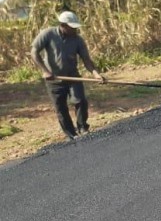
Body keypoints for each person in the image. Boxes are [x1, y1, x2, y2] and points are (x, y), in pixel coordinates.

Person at [31, 11, 106, 140]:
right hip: (54, 79)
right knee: (61, 108)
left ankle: (82, 127)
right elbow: (34, 51)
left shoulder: (77, 40)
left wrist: (95, 74)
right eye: (72, 27)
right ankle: (71, 134)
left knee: (80, 100)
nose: (74, 30)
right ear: (63, 25)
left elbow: (86, 59)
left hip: (73, 76)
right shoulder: (48, 34)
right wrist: (45, 70)